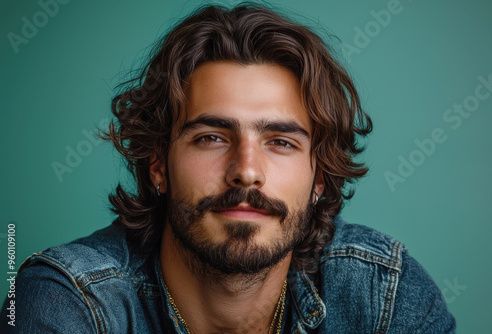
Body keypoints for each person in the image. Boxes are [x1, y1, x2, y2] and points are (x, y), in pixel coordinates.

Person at [1, 3, 456, 333]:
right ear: (158, 164)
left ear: (320, 176)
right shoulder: (71, 304)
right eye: (212, 138)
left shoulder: (381, 293)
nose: (246, 172)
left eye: (280, 142)